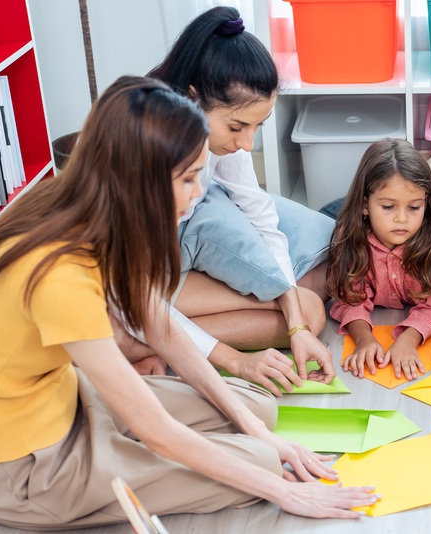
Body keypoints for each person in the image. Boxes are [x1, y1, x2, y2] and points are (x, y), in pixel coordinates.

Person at [0, 77, 376, 530]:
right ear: (142, 181)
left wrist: (260, 432)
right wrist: (285, 490)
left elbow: (164, 330)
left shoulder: (103, 221)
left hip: (71, 405)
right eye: (189, 178)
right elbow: (156, 431)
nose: (198, 193)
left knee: (260, 413)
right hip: (29, 468)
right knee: (264, 467)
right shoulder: (58, 273)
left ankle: (217, 445)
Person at [139, 6, 337, 394]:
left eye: (257, 127)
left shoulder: (209, 136)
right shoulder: (147, 153)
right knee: (311, 306)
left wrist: (293, 322)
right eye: (237, 127)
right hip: (147, 273)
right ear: (193, 99)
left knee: (331, 259)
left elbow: (258, 212)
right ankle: (144, 341)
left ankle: (165, 334)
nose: (247, 143)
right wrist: (238, 359)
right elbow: (134, 289)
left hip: (185, 241)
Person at [328, 138, 431, 381]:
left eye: (414, 207)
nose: (402, 219)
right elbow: (350, 296)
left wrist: (408, 341)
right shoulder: (349, 235)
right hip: (376, 221)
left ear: (425, 205)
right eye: (388, 206)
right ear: (364, 204)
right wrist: (364, 338)